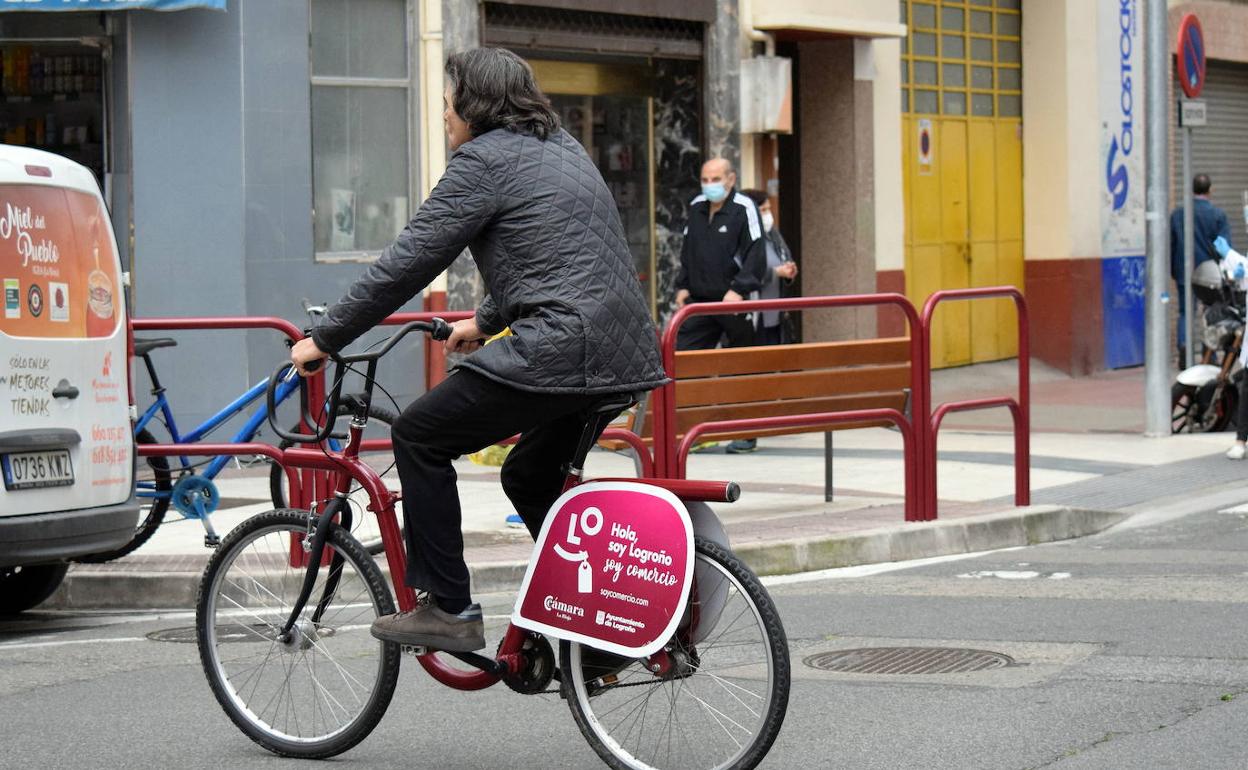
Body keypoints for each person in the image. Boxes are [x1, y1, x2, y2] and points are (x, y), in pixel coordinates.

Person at [290, 47, 666, 653]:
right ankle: (597, 629)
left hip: (561, 345)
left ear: (474, 106)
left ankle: (448, 608)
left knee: (420, 434)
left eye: (448, 102)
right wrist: (484, 319)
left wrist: (326, 337)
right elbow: (556, 250)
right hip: (620, 351)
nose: (444, 114)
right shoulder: (563, 149)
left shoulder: (481, 163)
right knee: (529, 472)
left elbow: (408, 261)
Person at [726, 189, 799, 454]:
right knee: (750, 373)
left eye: (769, 208)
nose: (768, 214)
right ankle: (749, 428)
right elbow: (743, 271)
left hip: (773, 316)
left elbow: (784, 258)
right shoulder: (743, 235)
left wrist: (788, 272)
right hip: (752, 316)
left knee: (765, 371)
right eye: (764, 209)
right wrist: (774, 272)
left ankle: (759, 423)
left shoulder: (773, 234)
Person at [673, 158, 767, 351]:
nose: (709, 184)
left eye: (715, 179)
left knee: (741, 364)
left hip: (733, 301)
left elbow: (756, 254)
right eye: (704, 180)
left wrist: (738, 290)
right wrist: (683, 285)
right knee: (683, 358)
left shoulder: (744, 208)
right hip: (698, 302)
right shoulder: (696, 206)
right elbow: (688, 250)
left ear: (731, 179)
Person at [1170, 173, 1233, 363]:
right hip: (1210, 275)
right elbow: (1224, 247)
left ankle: (1184, 345)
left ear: (1192, 190)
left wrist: (1174, 270)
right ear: (1210, 190)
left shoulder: (1178, 215)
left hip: (1184, 272)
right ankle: (1209, 351)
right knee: (1210, 313)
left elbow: (1172, 245)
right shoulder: (1217, 215)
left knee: (1185, 312)